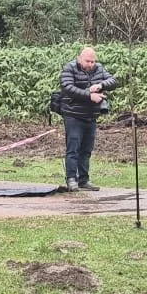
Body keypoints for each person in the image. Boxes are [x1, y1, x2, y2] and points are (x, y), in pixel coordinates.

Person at [57, 46, 119, 191]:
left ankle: (84, 180)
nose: (91, 64)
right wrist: (88, 94)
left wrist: (101, 84)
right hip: (73, 115)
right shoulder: (69, 68)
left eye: (93, 61)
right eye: (87, 61)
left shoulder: (99, 69)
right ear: (80, 59)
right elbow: (67, 87)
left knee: (86, 150)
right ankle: (71, 179)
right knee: (73, 149)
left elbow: (114, 81)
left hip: (91, 116)